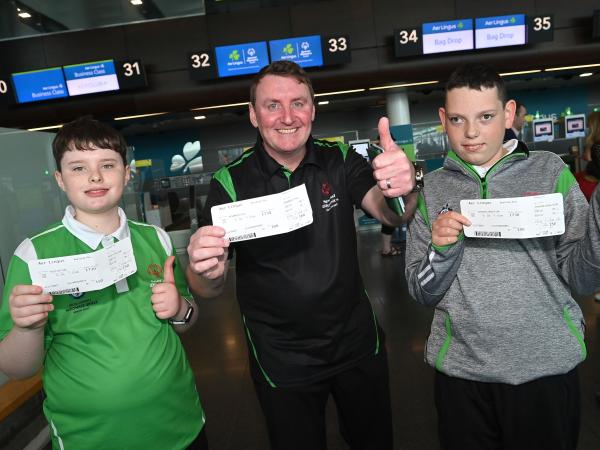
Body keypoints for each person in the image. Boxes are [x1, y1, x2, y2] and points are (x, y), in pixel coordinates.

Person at [186, 61, 417, 450]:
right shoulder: (229, 182)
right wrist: (202, 269)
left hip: (356, 345)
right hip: (281, 360)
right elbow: (208, 285)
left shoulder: (339, 159)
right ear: (253, 115)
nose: (287, 117)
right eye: (272, 105)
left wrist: (403, 189)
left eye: (299, 103)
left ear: (313, 109)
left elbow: (391, 212)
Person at [405, 63, 600, 450]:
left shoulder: (550, 172)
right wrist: (441, 250)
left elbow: (583, 278)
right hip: (463, 375)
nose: (472, 132)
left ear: (508, 113)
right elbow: (420, 290)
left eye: (486, 117)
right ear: (443, 119)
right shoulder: (432, 189)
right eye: (458, 119)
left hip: (545, 367)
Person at [0, 117, 207, 450]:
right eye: (78, 168)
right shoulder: (34, 255)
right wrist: (27, 329)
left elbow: (188, 321)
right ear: (60, 179)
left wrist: (180, 308)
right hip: (91, 438)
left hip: (179, 424)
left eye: (107, 165)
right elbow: (18, 368)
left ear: (126, 174)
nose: (95, 176)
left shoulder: (155, 239)